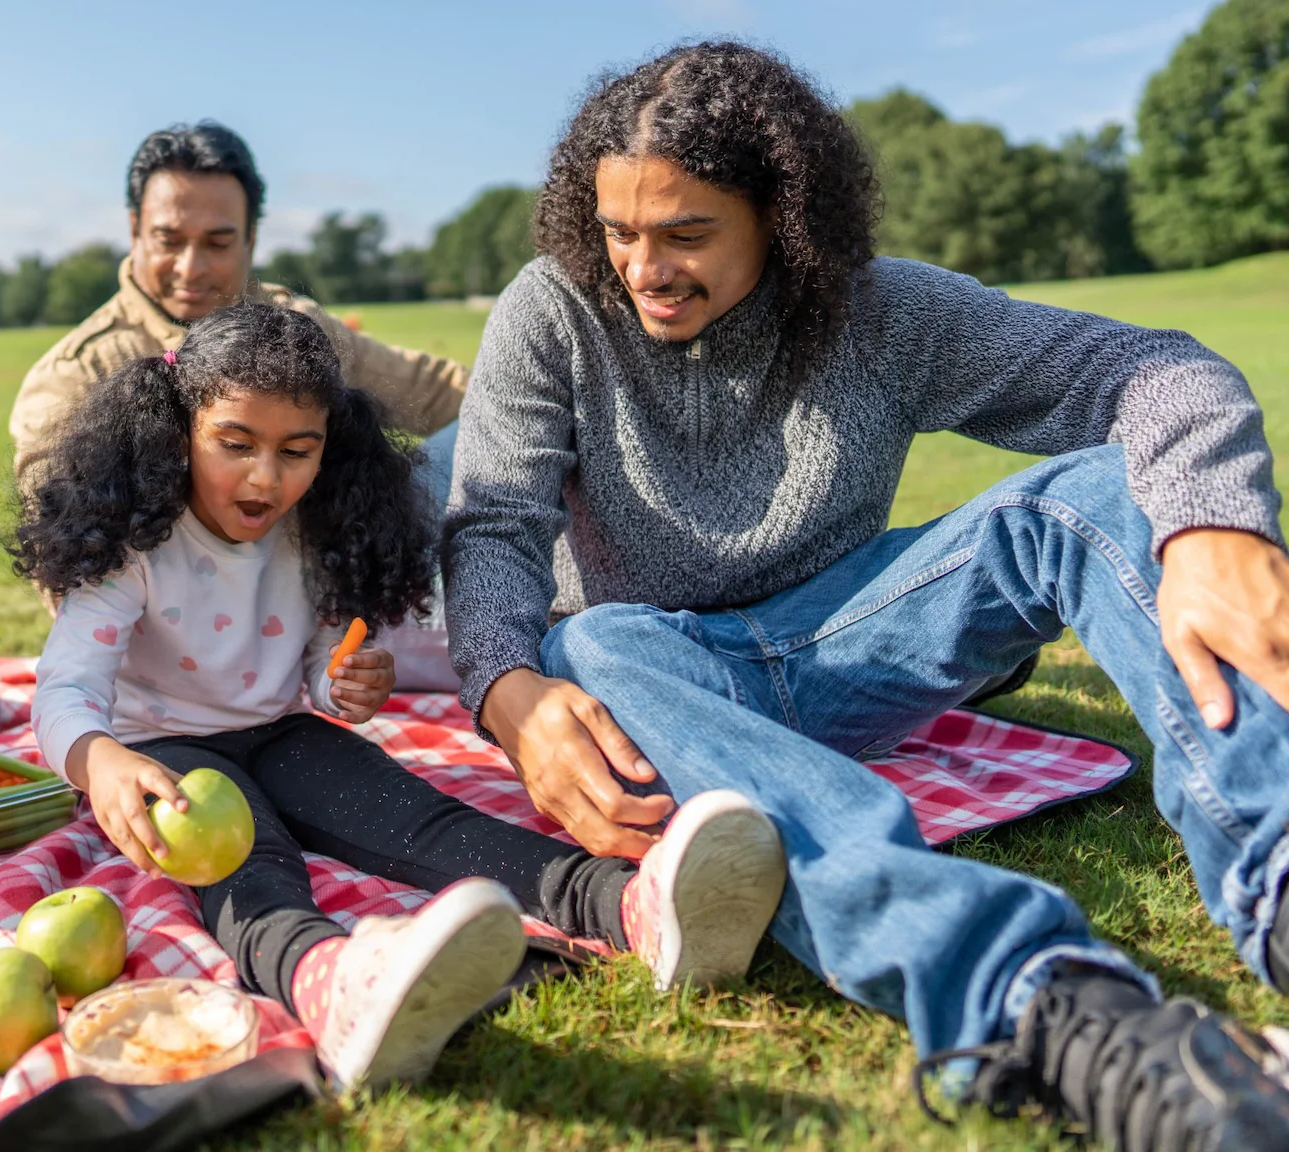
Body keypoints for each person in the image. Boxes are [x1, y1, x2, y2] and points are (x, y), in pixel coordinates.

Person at [442, 42, 1289, 1149]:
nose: (641, 268)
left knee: (1096, 497)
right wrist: (505, 687)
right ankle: (1030, 1003)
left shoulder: (878, 312)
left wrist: (1210, 522)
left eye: (686, 233)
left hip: (850, 639)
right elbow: (494, 524)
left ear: (782, 220)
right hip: (656, 675)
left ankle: (1272, 877)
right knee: (590, 646)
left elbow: (1155, 373)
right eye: (617, 232)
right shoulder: (551, 309)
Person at [8, 300, 787, 1092]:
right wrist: (100, 761)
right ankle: (331, 980)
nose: (265, 477)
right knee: (252, 866)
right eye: (234, 445)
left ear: (327, 450)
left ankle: (628, 907)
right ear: (178, 434)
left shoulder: (311, 530)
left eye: (296, 451)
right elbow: (64, 691)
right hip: (162, 755)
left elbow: (316, 658)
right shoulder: (133, 548)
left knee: (419, 817)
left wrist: (343, 682)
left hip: (279, 732)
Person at [9, 122, 470, 690]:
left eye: (219, 242)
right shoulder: (77, 372)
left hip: (323, 600)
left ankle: (499, 625)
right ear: (134, 230)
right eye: (169, 239)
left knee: (492, 422)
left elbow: (431, 389)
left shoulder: (294, 328)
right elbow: (60, 542)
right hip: (174, 657)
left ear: (251, 239)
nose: (191, 266)